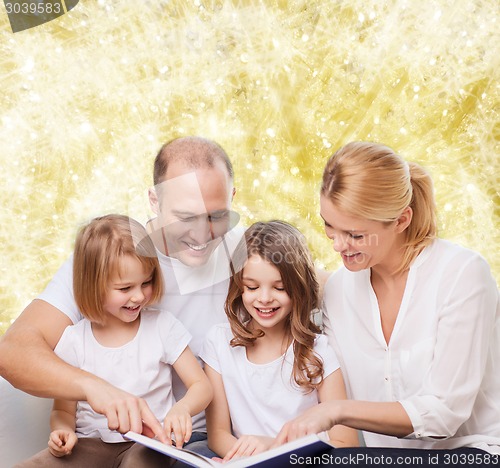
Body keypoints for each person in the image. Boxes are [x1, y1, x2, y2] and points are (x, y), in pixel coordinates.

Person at [0, 137, 242, 456]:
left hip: (187, 443)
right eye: (186, 217)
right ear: (154, 201)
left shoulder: (243, 249)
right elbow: (13, 352)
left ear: (232, 199)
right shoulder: (110, 259)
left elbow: (309, 283)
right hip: (101, 441)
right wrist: (94, 387)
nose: (202, 234)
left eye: (215, 216)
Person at [275, 142, 500, 462]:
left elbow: (444, 414)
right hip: (382, 459)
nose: (338, 245)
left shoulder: (462, 275)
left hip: (471, 453)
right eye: (329, 226)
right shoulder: (339, 290)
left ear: (401, 220)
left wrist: (336, 411)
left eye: (355, 234)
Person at [17, 214, 212, 467]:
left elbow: (201, 385)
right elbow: (63, 410)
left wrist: (183, 408)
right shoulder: (75, 340)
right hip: (90, 444)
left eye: (147, 282)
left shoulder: (162, 326)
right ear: (94, 285)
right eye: (125, 288)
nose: (139, 296)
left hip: (151, 444)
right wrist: (61, 431)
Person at [200, 221, 358, 461]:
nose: (264, 298)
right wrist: (241, 459)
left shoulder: (319, 351)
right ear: (239, 286)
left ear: (298, 288)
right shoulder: (219, 342)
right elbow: (218, 434)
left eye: (280, 287)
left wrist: (274, 449)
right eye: (252, 287)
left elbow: (346, 444)